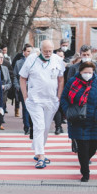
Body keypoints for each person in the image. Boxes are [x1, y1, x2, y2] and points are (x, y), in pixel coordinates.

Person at [19, 39, 66, 169]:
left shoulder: (57, 59)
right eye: (45, 51)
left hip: (51, 100)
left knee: (45, 127)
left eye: (50, 51)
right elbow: (22, 77)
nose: (48, 53)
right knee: (39, 126)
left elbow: (61, 79)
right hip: (35, 100)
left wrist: (59, 96)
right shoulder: (31, 59)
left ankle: (37, 148)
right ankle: (41, 155)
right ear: (40, 49)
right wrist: (25, 96)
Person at [60, 60, 97, 182]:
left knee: (93, 147)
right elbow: (64, 98)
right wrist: (68, 111)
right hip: (77, 120)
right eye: (85, 72)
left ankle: (84, 161)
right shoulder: (72, 82)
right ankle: (85, 171)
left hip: (93, 120)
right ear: (80, 72)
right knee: (82, 148)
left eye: (90, 72)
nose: (87, 74)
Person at [0, 49, 11, 135]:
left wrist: (4, 87)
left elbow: (9, 83)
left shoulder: (5, 69)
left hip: (2, 96)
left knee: (0, 116)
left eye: (2, 57)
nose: (1, 59)